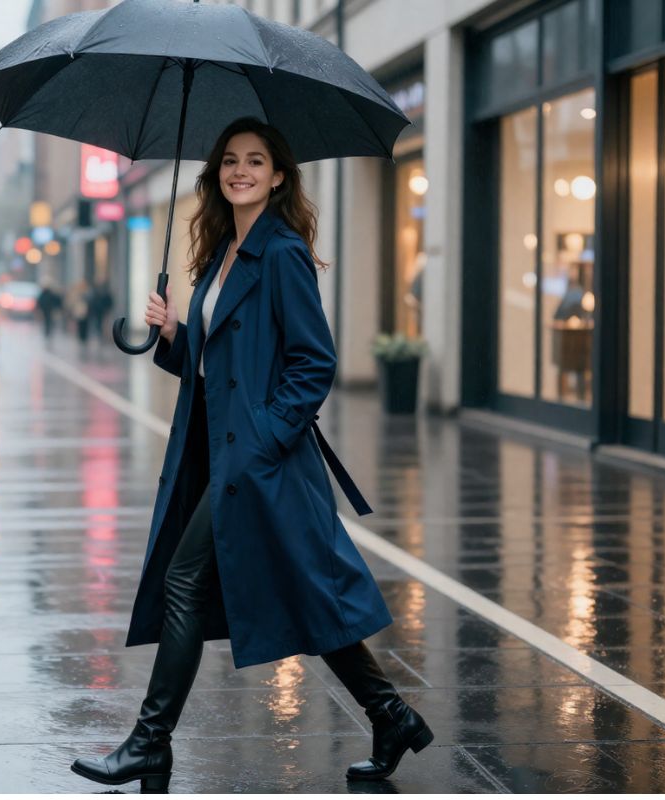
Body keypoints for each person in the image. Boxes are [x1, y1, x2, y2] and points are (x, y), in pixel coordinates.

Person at [70, 118, 431, 792]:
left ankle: (150, 743)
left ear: (279, 176)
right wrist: (174, 332)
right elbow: (221, 361)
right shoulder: (221, 253)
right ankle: (391, 716)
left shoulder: (283, 252)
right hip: (222, 450)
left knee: (184, 581)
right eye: (231, 161)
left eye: (256, 161)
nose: (241, 171)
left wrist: (265, 438)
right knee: (305, 592)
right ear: (217, 175)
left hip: (260, 460)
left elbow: (313, 362)